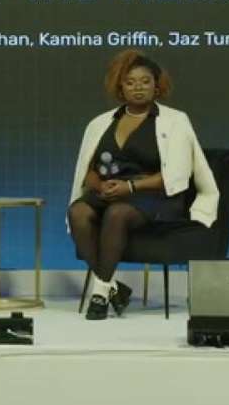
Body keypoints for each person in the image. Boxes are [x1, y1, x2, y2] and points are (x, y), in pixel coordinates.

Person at [67, 50, 220, 320]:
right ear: (121, 88)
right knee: (78, 212)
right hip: (111, 191)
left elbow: (177, 173)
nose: (138, 87)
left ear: (157, 86)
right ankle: (113, 287)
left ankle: (100, 293)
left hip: (157, 195)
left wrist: (130, 188)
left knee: (117, 213)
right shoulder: (101, 123)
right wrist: (99, 187)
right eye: (130, 82)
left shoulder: (175, 120)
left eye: (145, 81)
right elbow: (87, 170)